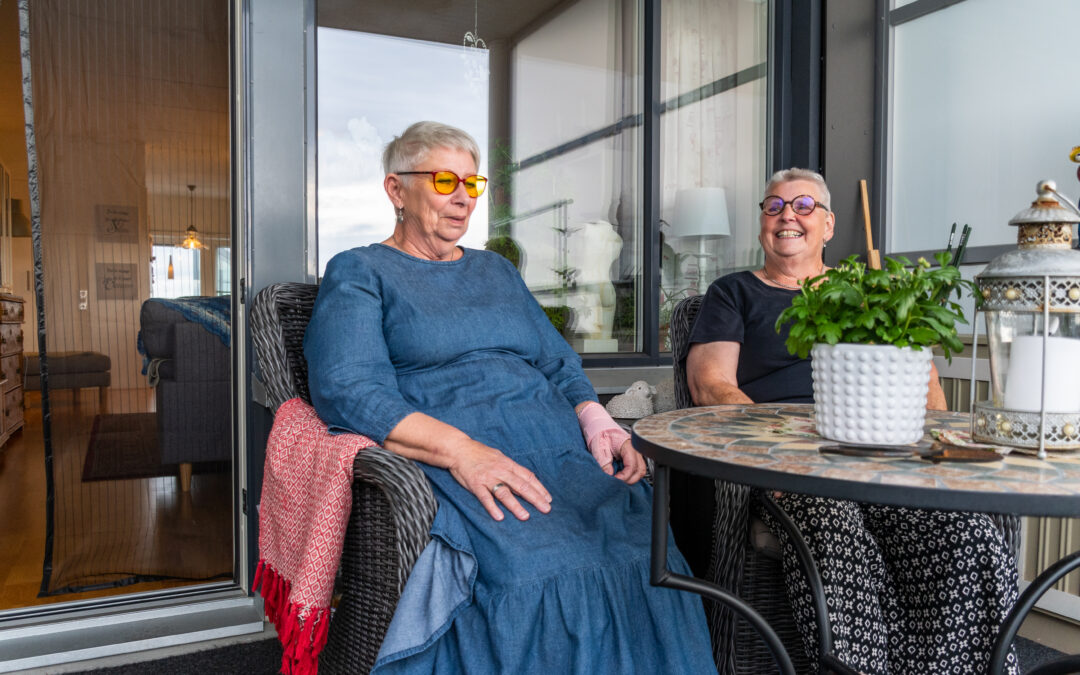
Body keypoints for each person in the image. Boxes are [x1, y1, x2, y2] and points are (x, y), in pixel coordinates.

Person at [304, 121, 717, 674]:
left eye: (471, 185)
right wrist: (462, 453)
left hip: (558, 451)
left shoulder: (495, 271)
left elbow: (556, 362)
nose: (462, 198)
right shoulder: (360, 271)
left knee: (645, 549)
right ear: (396, 190)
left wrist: (599, 423)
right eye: (445, 180)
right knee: (531, 570)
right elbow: (349, 388)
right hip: (460, 456)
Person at [684, 167, 1019, 674]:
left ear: (830, 224)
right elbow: (711, 385)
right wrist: (777, 451)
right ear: (761, 226)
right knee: (834, 526)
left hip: (881, 455)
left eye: (802, 206)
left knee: (962, 528)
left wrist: (931, 452)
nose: (787, 217)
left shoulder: (869, 297)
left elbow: (922, 381)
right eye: (773, 206)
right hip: (791, 465)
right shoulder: (734, 294)